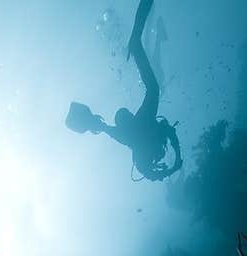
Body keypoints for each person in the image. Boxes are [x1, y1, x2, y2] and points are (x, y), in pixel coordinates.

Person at [66, 0, 182, 182]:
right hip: (140, 124)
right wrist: (176, 162)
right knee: (154, 88)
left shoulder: (133, 144)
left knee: (154, 88)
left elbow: (151, 171)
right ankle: (137, 46)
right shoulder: (132, 142)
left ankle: (136, 45)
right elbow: (167, 136)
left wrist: (175, 164)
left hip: (140, 125)